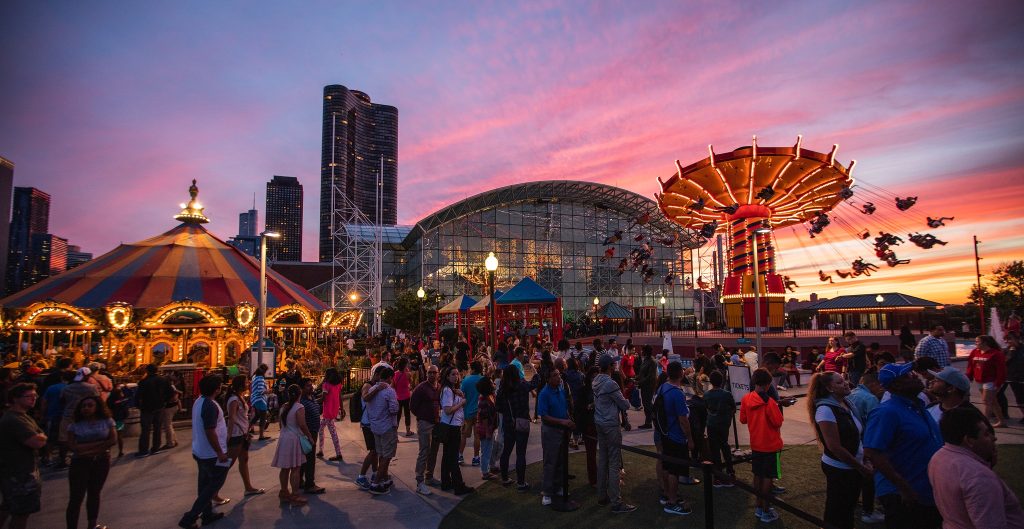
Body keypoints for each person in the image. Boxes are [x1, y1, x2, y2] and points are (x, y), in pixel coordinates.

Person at [863, 363, 943, 529]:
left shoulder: (917, 407)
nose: (915, 376)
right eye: (908, 376)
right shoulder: (887, 412)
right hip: (903, 494)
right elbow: (873, 452)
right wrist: (903, 486)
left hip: (926, 489)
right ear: (896, 385)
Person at [928, 407, 1024, 528]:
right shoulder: (979, 477)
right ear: (969, 440)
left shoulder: (939, 458)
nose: (994, 438)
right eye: (986, 434)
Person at [808, 372, 872, 529]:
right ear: (830, 388)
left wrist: (865, 459)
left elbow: (858, 434)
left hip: (854, 465)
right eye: (840, 382)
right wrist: (860, 467)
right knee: (836, 511)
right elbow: (834, 447)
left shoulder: (847, 403)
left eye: (845, 380)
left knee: (848, 508)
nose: (846, 384)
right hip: (840, 468)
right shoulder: (825, 410)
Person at [177, 375, 230, 529]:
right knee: (214, 485)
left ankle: (207, 514)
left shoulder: (199, 402)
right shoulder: (210, 406)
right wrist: (220, 452)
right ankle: (190, 517)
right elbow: (210, 431)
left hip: (200, 450)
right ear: (216, 389)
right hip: (211, 454)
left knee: (204, 484)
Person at [740, 368, 785, 523]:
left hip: (755, 444)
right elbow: (778, 422)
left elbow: (743, 420)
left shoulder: (746, 399)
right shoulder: (770, 402)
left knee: (757, 475)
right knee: (769, 478)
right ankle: (766, 510)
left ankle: (759, 507)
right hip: (771, 446)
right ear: (768, 384)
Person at [591, 355, 635, 512]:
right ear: (609, 366)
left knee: (603, 459)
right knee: (614, 462)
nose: (615, 365)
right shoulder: (610, 383)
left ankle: (602, 496)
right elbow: (623, 403)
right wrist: (628, 397)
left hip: (599, 422)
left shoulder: (595, 380)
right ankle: (616, 501)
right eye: (613, 363)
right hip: (610, 424)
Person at [65, 395, 116, 529]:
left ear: (97, 407)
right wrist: (98, 446)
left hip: (100, 461)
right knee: (76, 497)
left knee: (94, 493)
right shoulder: (74, 426)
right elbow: (72, 446)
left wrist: (85, 449)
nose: (86, 408)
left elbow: (112, 440)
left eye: (90, 405)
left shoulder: (107, 421)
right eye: (84, 406)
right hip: (80, 463)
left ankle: (92, 524)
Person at [0, 383, 46, 529]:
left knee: (9, 507)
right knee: (21, 513)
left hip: (21, 471)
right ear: (15, 399)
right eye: (29, 396)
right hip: (20, 474)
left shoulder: (22, 416)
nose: (33, 399)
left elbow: (40, 435)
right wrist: (41, 437)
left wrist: (40, 436)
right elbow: (37, 442)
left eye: (35, 396)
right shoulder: (14, 420)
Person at [656, 361, 695, 516]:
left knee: (667, 466)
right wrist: (690, 438)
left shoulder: (663, 387)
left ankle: (667, 495)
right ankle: (672, 502)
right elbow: (683, 420)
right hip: (676, 436)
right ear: (680, 373)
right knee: (674, 470)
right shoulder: (676, 393)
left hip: (665, 433)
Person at [537, 367, 575, 508]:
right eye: (555, 375)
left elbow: (564, 407)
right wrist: (562, 422)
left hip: (563, 430)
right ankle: (546, 492)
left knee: (561, 461)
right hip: (551, 431)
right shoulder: (544, 393)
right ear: (548, 378)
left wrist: (568, 419)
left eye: (559, 374)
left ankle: (558, 487)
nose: (558, 377)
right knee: (550, 462)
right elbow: (544, 416)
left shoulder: (561, 389)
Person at [271, 384, 312, 506]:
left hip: (284, 438)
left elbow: (280, 425)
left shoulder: (284, 407)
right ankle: (295, 495)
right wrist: (309, 436)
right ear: (299, 394)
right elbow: (302, 424)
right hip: (294, 439)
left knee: (285, 468)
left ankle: (284, 492)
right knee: (295, 468)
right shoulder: (299, 407)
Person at [224, 375, 263, 497]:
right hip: (237, 434)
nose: (248, 383)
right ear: (241, 384)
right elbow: (232, 417)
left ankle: (248, 487)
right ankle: (213, 491)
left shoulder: (239, 397)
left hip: (243, 433)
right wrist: (230, 435)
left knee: (244, 459)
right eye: (246, 382)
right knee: (227, 463)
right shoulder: (234, 400)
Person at [438, 366, 474, 495]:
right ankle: (458, 485)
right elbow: (447, 410)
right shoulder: (447, 390)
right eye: (453, 374)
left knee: (448, 456)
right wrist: (462, 402)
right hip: (451, 427)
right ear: (447, 376)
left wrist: (459, 395)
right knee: (452, 457)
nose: (456, 376)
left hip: (451, 425)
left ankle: (446, 482)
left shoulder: (451, 390)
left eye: (457, 374)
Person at [365, 367, 399, 495]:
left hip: (375, 427)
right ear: (390, 378)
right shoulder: (389, 391)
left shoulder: (372, 389)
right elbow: (394, 409)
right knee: (387, 455)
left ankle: (383, 478)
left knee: (381, 453)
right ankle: (376, 483)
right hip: (387, 427)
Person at [496, 365, 531, 491]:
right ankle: (521, 483)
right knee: (521, 453)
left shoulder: (502, 390)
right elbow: (535, 382)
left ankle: (505, 478)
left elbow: (498, 408)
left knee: (506, 451)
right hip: (522, 422)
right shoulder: (522, 386)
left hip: (509, 423)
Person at [410, 365, 442, 494]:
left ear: (438, 374)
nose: (432, 375)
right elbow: (412, 406)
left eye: (435, 372)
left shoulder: (439, 387)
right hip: (425, 423)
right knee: (424, 450)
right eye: (430, 372)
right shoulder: (421, 388)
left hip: (436, 423)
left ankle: (429, 476)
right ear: (427, 373)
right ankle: (419, 481)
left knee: (434, 450)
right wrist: (422, 416)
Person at [967, 335, 1007, 428]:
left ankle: (985, 423)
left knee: (986, 401)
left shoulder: (996, 354)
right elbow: (970, 365)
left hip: (991, 381)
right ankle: (1002, 421)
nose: (975, 343)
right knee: (992, 401)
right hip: (979, 380)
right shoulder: (975, 352)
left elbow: (1001, 370)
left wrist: (998, 383)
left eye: (978, 342)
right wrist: (969, 376)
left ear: (985, 343)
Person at [703, 370, 735, 487]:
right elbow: (733, 408)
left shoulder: (706, 395)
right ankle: (730, 472)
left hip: (711, 424)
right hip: (723, 424)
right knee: (725, 446)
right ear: (722, 381)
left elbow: (706, 407)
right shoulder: (727, 394)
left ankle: (717, 476)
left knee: (714, 450)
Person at [134, 364, 169, 457]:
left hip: (147, 408)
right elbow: (170, 392)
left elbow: (138, 395)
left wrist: (138, 405)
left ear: (147, 371)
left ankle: (144, 450)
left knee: (146, 429)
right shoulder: (163, 380)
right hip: (160, 406)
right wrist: (165, 401)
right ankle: (156, 447)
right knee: (157, 428)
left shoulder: (143, 381)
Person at [298, 378, 325, 495]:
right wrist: (308, 435)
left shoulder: (311, 397)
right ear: (302, 388)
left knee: (305, 458)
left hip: (313, 431)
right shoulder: (301, 402)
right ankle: (310, 484)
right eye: (308, 386)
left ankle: (300, 481)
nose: (311, 387)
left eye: (311, 385)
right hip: (308, 433)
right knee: (309, 459)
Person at [40, 370, 72, 466]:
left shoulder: (51, 388)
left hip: (52, 415)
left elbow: (44, 402)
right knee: (64, 438)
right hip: (65, 416)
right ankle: (63, 457)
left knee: (51, 438)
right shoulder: (69, 388)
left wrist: (42, 415)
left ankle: (48, 456)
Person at [317, 368, 345, 461]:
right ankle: (321, 450)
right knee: (321, 429)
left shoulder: (326, 385)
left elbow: (323, 399)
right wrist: (342, 408)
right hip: (334, 409)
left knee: (332, 432)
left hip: (327, 411)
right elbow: (340, 397)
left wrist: (312, 400)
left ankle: (338, 453)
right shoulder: (338, 384)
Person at [459, 361, 484, 466]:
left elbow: (461, 395)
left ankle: (460, 455)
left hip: (467, 412)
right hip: (479, 412)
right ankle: (476, 457)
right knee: (477, 436)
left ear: (472, 369)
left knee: (463, 435)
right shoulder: (482, 380)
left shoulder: (466, 380)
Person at [475, 376, 498, 481]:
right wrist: (488, 431)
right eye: (491, 382)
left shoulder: (490, 396)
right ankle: (485, 472)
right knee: (486, 450)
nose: (493, 383)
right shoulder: (483, 399)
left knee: (488, 449)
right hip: (485, 429)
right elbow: (483, 417)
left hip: (490, 427)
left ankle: (487, 469)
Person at [1001, 332, 1023, 423]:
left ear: (1017, 339)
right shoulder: (1007, 350)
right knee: (1019, 397)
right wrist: (1011, 352)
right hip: (1012, 377)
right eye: (1006, 340)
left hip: (1021, 377)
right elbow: (1004, 362)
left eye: (1010, 339)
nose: (1008, 341)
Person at [636, 345, 658, 430]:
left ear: (645, 351)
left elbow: (650, 376)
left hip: (649, 386)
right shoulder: (645, 360)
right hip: (644, 385)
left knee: (648, 404)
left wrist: (640, 381)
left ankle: (653, 420)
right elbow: (642, 372)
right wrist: (636, 377)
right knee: (646, 404)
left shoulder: (652, 362)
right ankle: (648, 421)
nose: (641, 352)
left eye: (642, 350)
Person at [160, 373, 183, 450]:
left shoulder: (169, 388)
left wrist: (166, 402)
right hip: (174, 406)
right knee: (169, 424)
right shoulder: (172, 387)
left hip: (169, 408)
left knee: (168, 425)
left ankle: (170, 443)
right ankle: (174, 440)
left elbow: (172, 397)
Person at [249, 364, 271, 441]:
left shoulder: (254, 377)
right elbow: (261, 391)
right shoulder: (261, 378)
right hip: (260, 400)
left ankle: (246, 431)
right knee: (263, 417)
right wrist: (268, 391)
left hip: (254, 399)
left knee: (257, 416)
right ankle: (261, 435)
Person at [393, 358, 414, 439]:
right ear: (405, 365)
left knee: (397, 415)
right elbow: (411, 383)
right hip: (406, 397)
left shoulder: (395, 374)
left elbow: (393, 386)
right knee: (407, 414)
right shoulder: (408, 374)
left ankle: (395, 433)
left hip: (398, 397)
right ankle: (408, 431)